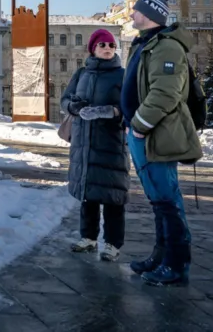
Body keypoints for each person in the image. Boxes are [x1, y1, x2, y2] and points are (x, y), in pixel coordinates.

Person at [121, 0, 202, 286]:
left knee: (167, 199)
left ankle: (176, 264)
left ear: (150, 15)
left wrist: (140, 125)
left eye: (135, 10)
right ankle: (161, 256)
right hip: (141, 132)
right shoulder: (146, 43)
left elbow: (165, 93)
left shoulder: (167, 47)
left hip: (156, 133)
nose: (131, 14)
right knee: (157, 199)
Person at [62, 28, 129, 262]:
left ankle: (112, 243)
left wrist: (110, 111)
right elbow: (65, 99)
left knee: (113, 196)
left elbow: (131, 106)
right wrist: (74, 107)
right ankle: (88, 238)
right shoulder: (81, 74)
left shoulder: (122, 75)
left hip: (110, 143)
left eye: (111, 45)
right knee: (87, 193)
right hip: (84, 143)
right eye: (103, 45)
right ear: (93, 48)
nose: (108, 49)